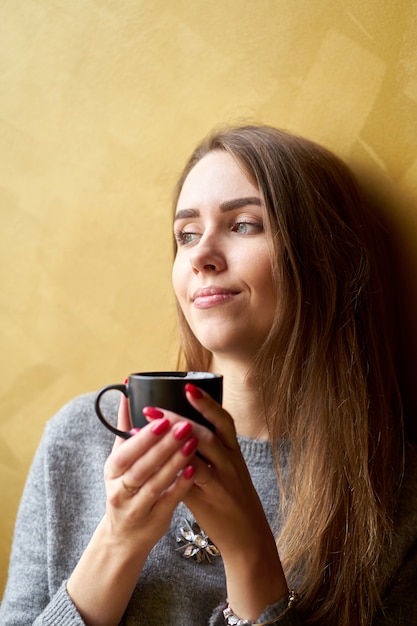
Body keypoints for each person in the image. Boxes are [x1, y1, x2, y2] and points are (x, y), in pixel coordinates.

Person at [1, 125, 416, 626]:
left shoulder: (393, 491)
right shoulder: (78, 440)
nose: (200, 256)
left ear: (324, 256)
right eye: (187, 234)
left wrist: (249, 554)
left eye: (243, 225)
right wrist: (119, 539)